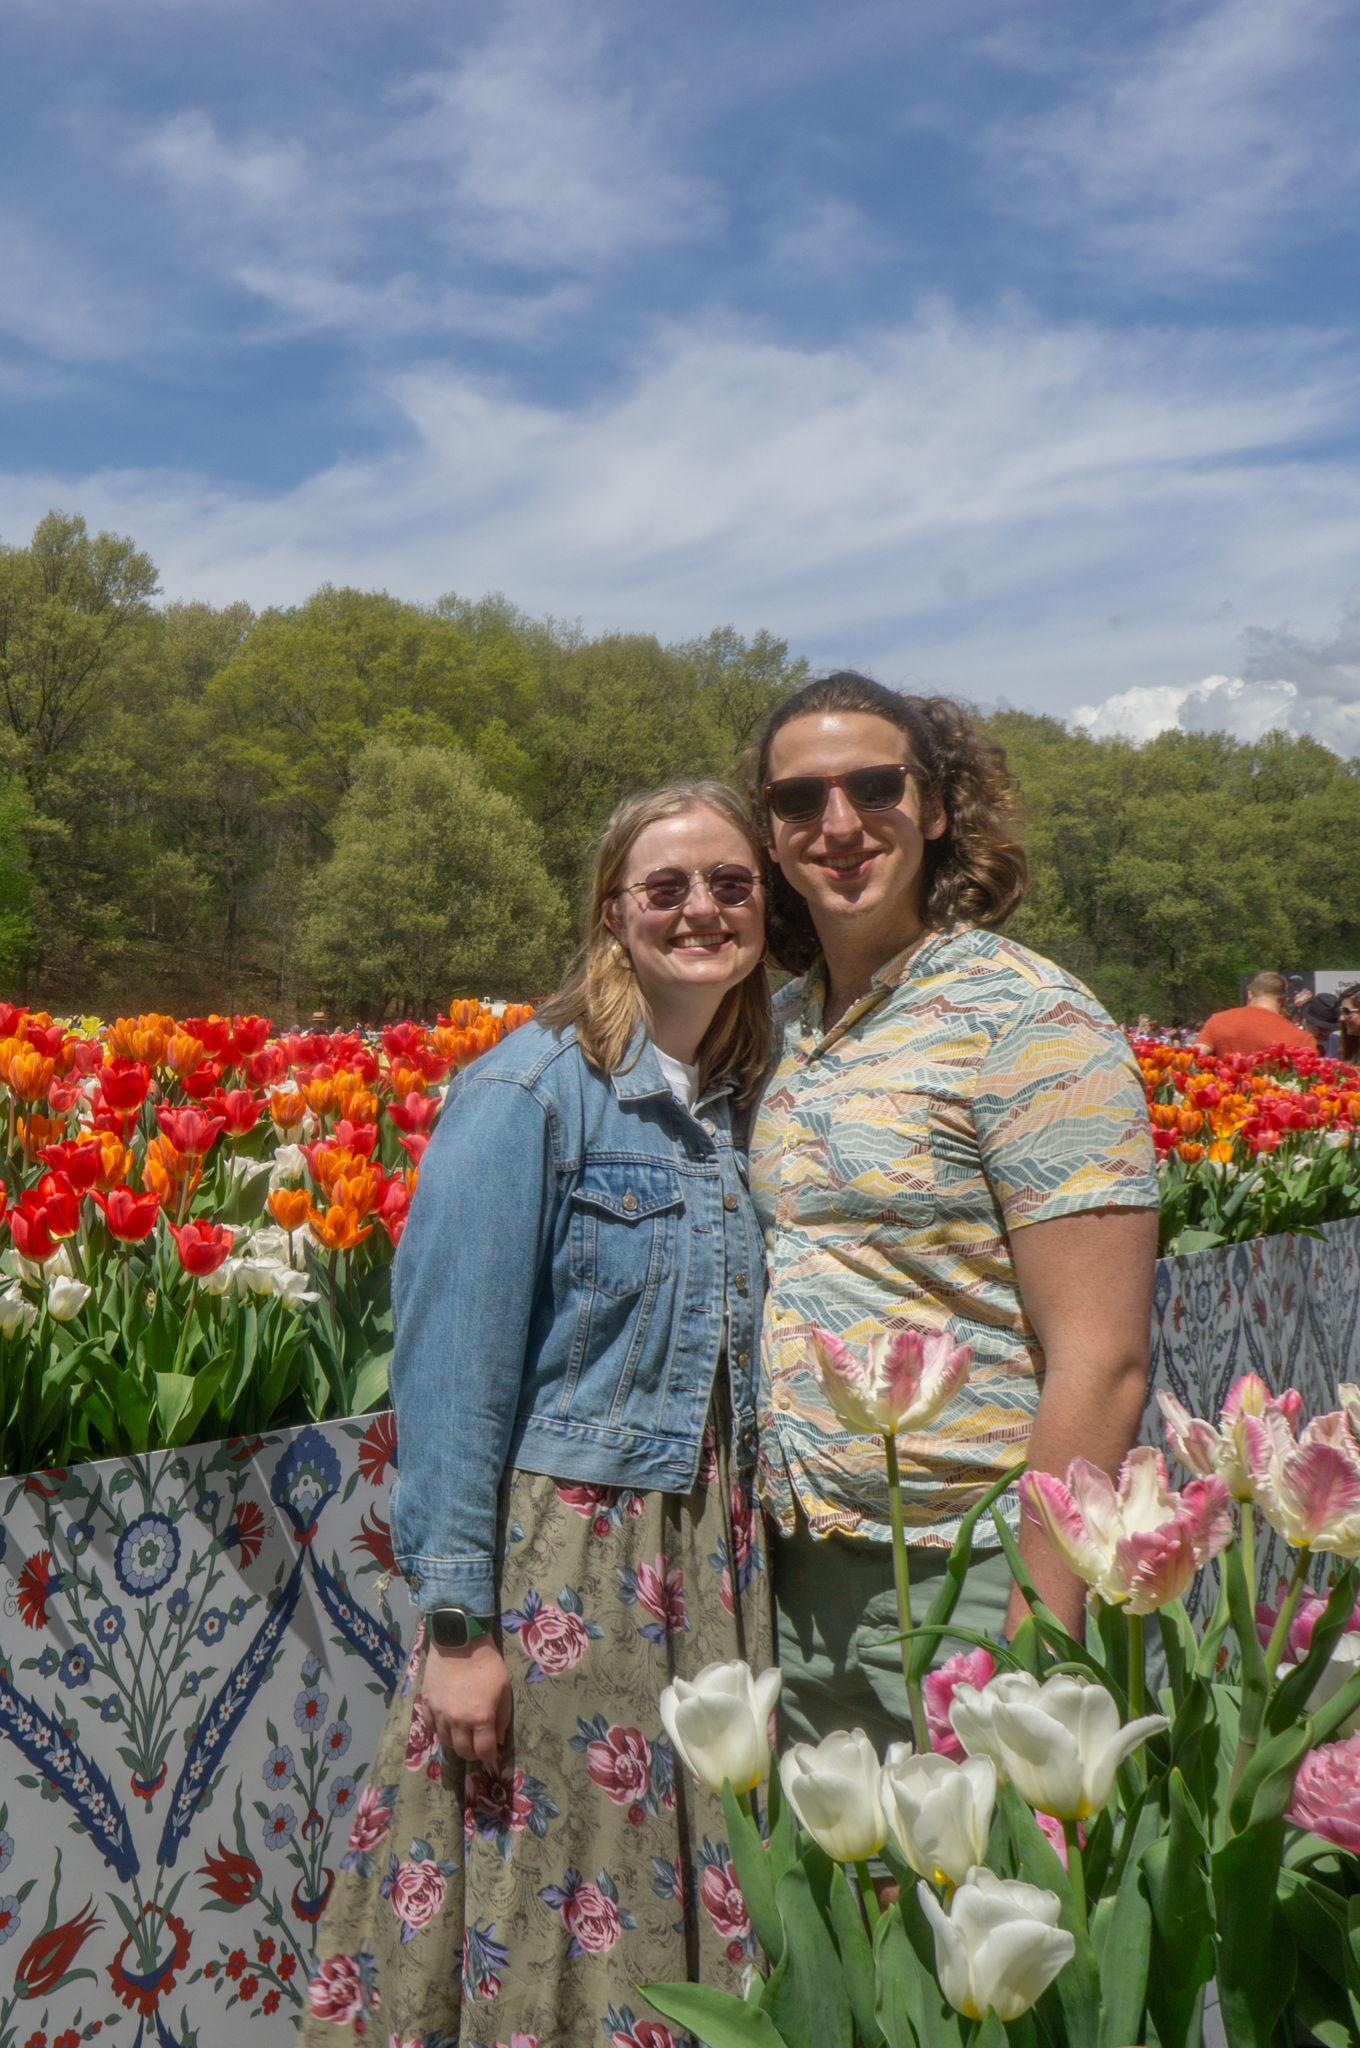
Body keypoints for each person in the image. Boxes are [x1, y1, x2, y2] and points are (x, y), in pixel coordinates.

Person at [300, 782, 773, 2043]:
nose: (700, 910)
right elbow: (449, 1374)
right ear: (609, 914)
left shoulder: (735, 1098)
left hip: (711, 1556)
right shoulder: (529, 1091)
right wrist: (455, 1621)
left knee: (677, 1875)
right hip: (571, 1563)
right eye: (664, 887)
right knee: (553, 1878)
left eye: (730, 884)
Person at [746, 672, 1159, 1753]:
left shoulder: (1031, 1022)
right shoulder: (775, 1032)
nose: (837, 824)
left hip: (963, 1569)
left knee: (978, 1910)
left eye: (872, 786)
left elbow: (1100, 1358)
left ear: (934, 808)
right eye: (798, 800)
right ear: (771, 834)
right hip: (784, 1578)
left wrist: (1037, 1619)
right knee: (839, 1919)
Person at [1197, 972, 1315, 1058]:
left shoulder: (1218, 1021)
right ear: (1284, 1001)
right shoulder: (1303, 1040)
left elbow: (1195, 1056)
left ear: (1249, 994)